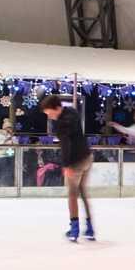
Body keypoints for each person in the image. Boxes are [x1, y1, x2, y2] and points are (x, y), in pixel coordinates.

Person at [40, 95, 95, 242]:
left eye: (49, 113)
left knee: (72, 195)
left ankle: (75, 229)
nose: (49, 116)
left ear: (57, 108)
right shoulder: (73, 112)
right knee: (83, 193)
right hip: (87, 158)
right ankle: (90, 228)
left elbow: (66, 145)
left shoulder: (61, 124)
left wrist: (67, 165)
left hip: (75, 162)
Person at [0, 119, 15, 187]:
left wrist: (13, 140)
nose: (10, 129)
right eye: (8, 128)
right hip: (1, 156)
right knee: (4, 171)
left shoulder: (12, 136)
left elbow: (16, 145)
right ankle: (3, 185)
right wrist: (7, 139)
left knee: (10, 171)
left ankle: (8, 184)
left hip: (10, 155)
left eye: (11, 128)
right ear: (4, 128)